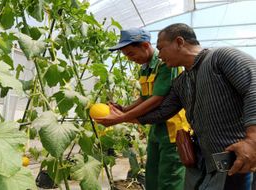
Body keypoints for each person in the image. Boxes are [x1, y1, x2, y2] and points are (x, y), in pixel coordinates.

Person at [97, 23, 256, 190]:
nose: (159, 56)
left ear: (179, 42)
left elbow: (253, 87)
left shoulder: (220, 57)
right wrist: (120, 117)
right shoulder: (181, 82)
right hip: (205, 162)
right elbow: (162, 113)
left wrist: (252, 140)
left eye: (162, 48)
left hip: (235, 160)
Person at [106, 28, 186, 190]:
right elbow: (144, 97)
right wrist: (124, 109)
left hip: (173, 131)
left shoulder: (166, 64)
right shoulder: (144, 68)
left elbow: (157, 100)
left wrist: (122, 117)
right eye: (126, 56)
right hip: (156, 128)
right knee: (152, 175)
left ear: (145, 45)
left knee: (169, 178)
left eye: (131, 54)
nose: (130, 59)